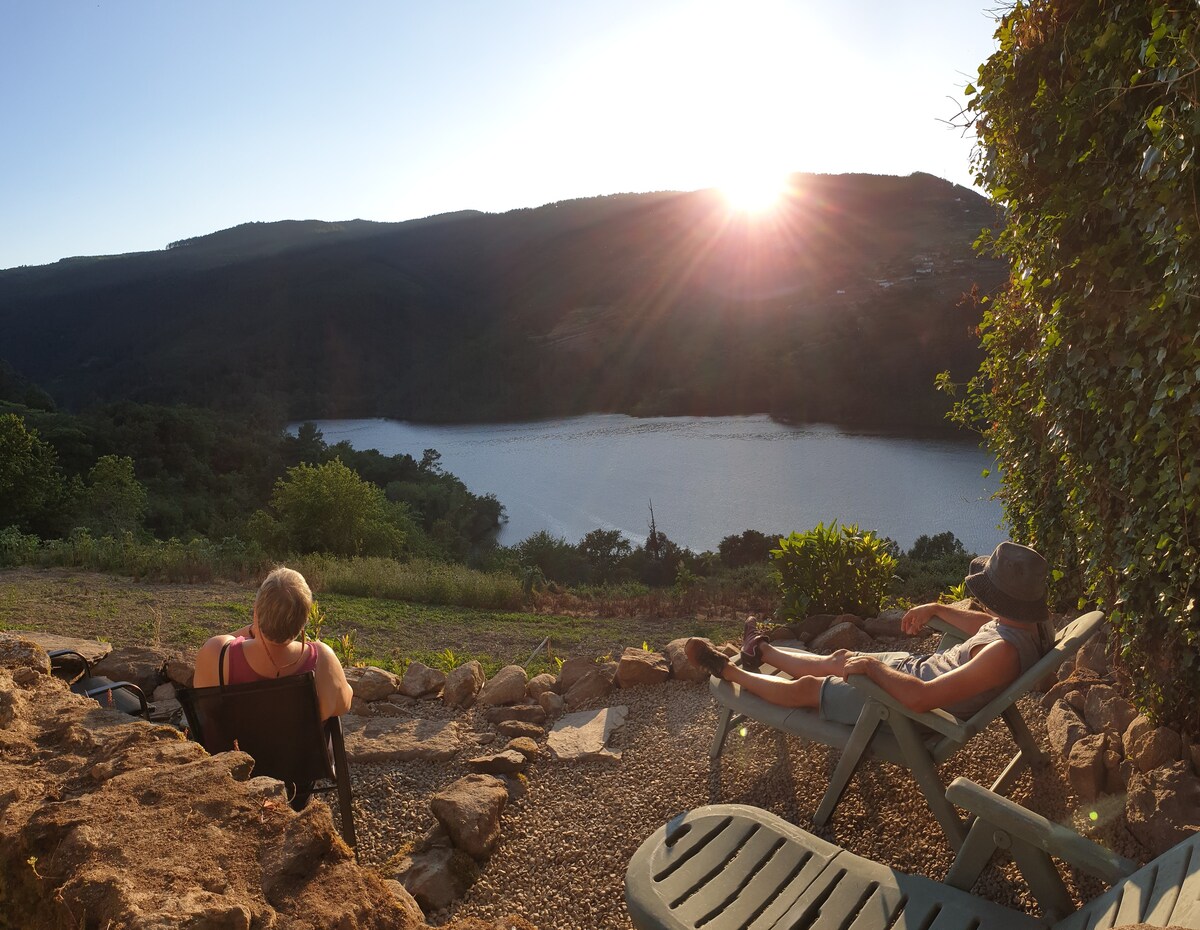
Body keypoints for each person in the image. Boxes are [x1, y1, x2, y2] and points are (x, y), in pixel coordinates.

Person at [686, 541, 1053, 724]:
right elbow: (987, 628)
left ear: (1002, 601)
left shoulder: (1003, 655)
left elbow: (922, 700)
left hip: (905, 707)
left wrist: (874, 669)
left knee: (808, 690)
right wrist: (939, 608)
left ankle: (726, 669)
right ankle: (761, 651)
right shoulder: (1027, 626)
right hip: (913, 672)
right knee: (839, 658)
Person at [193, 566, 352, 722]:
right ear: (304, 620)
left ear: (256, 611)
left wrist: (254, 627)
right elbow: (344, 705)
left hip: (235, 748)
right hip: (297, 749)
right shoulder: (322, 659)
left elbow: (206, 710)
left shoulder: (217, 654)